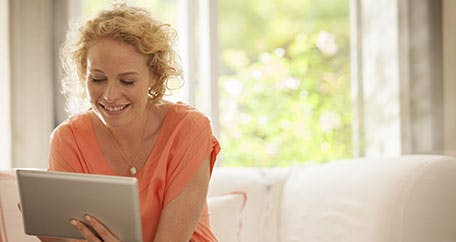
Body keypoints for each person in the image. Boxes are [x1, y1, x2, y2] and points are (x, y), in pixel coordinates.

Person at [46, 3, 220, 242]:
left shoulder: (188, 129)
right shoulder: (68, 139)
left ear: (155, 78)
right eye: (97, 79)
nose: (109, 95)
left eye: (127, 81)